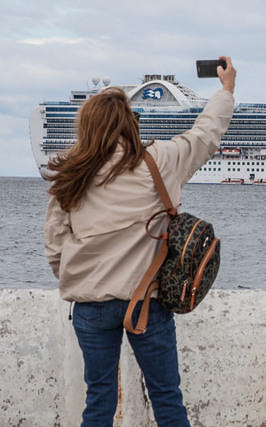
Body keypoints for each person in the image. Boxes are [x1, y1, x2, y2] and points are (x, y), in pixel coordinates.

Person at [44, 57, 236, 426]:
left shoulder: (69, 174)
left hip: (91, 305)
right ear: (131, 124)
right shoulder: (159, 160)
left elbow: (55, 246)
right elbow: (205, 134)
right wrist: (225, 91)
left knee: (98, 401)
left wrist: (82, 278)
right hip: (147, 300)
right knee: (166, 398)